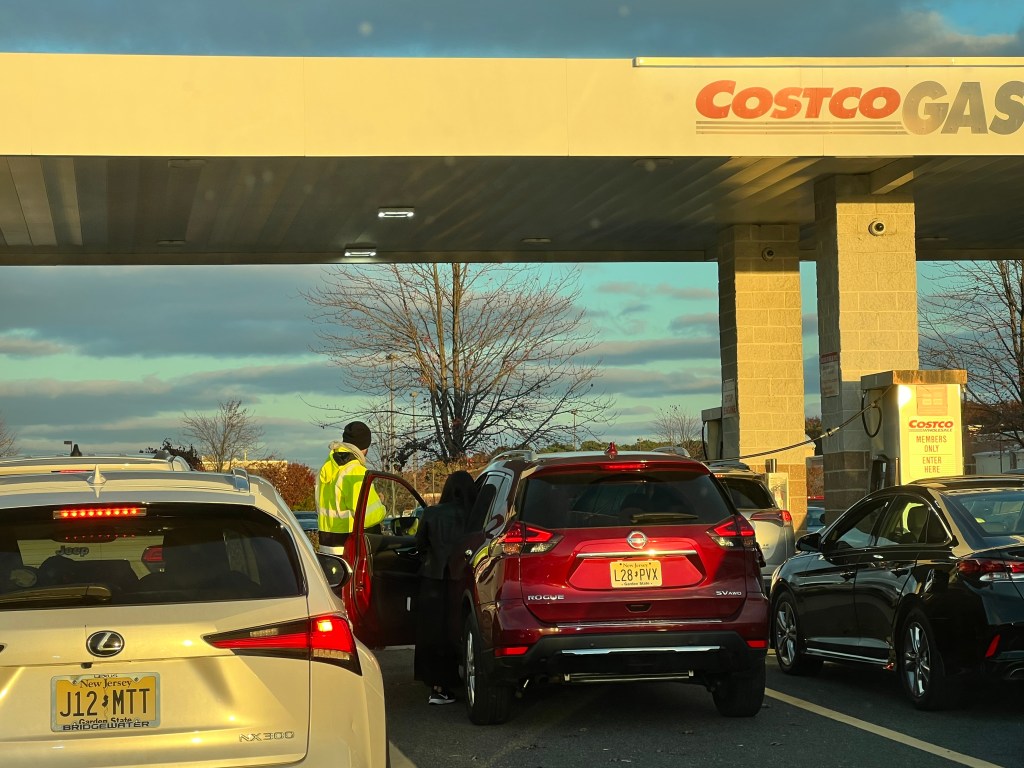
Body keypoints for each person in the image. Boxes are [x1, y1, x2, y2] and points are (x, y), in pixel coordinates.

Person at [414, 469, 478, 705]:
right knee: (461, 629)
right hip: (463, 579)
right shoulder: (476, 517)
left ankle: (438, 686)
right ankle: (467, 677)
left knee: (433, 633)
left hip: (432, 578)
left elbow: (419, 544)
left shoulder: (432, 514)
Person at [315, 421, 387, 556]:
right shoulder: (356, 471)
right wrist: (382, 506)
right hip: (351, 550)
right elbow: (369, 517)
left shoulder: (327, 467)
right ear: (365, 447)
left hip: (328, 549)